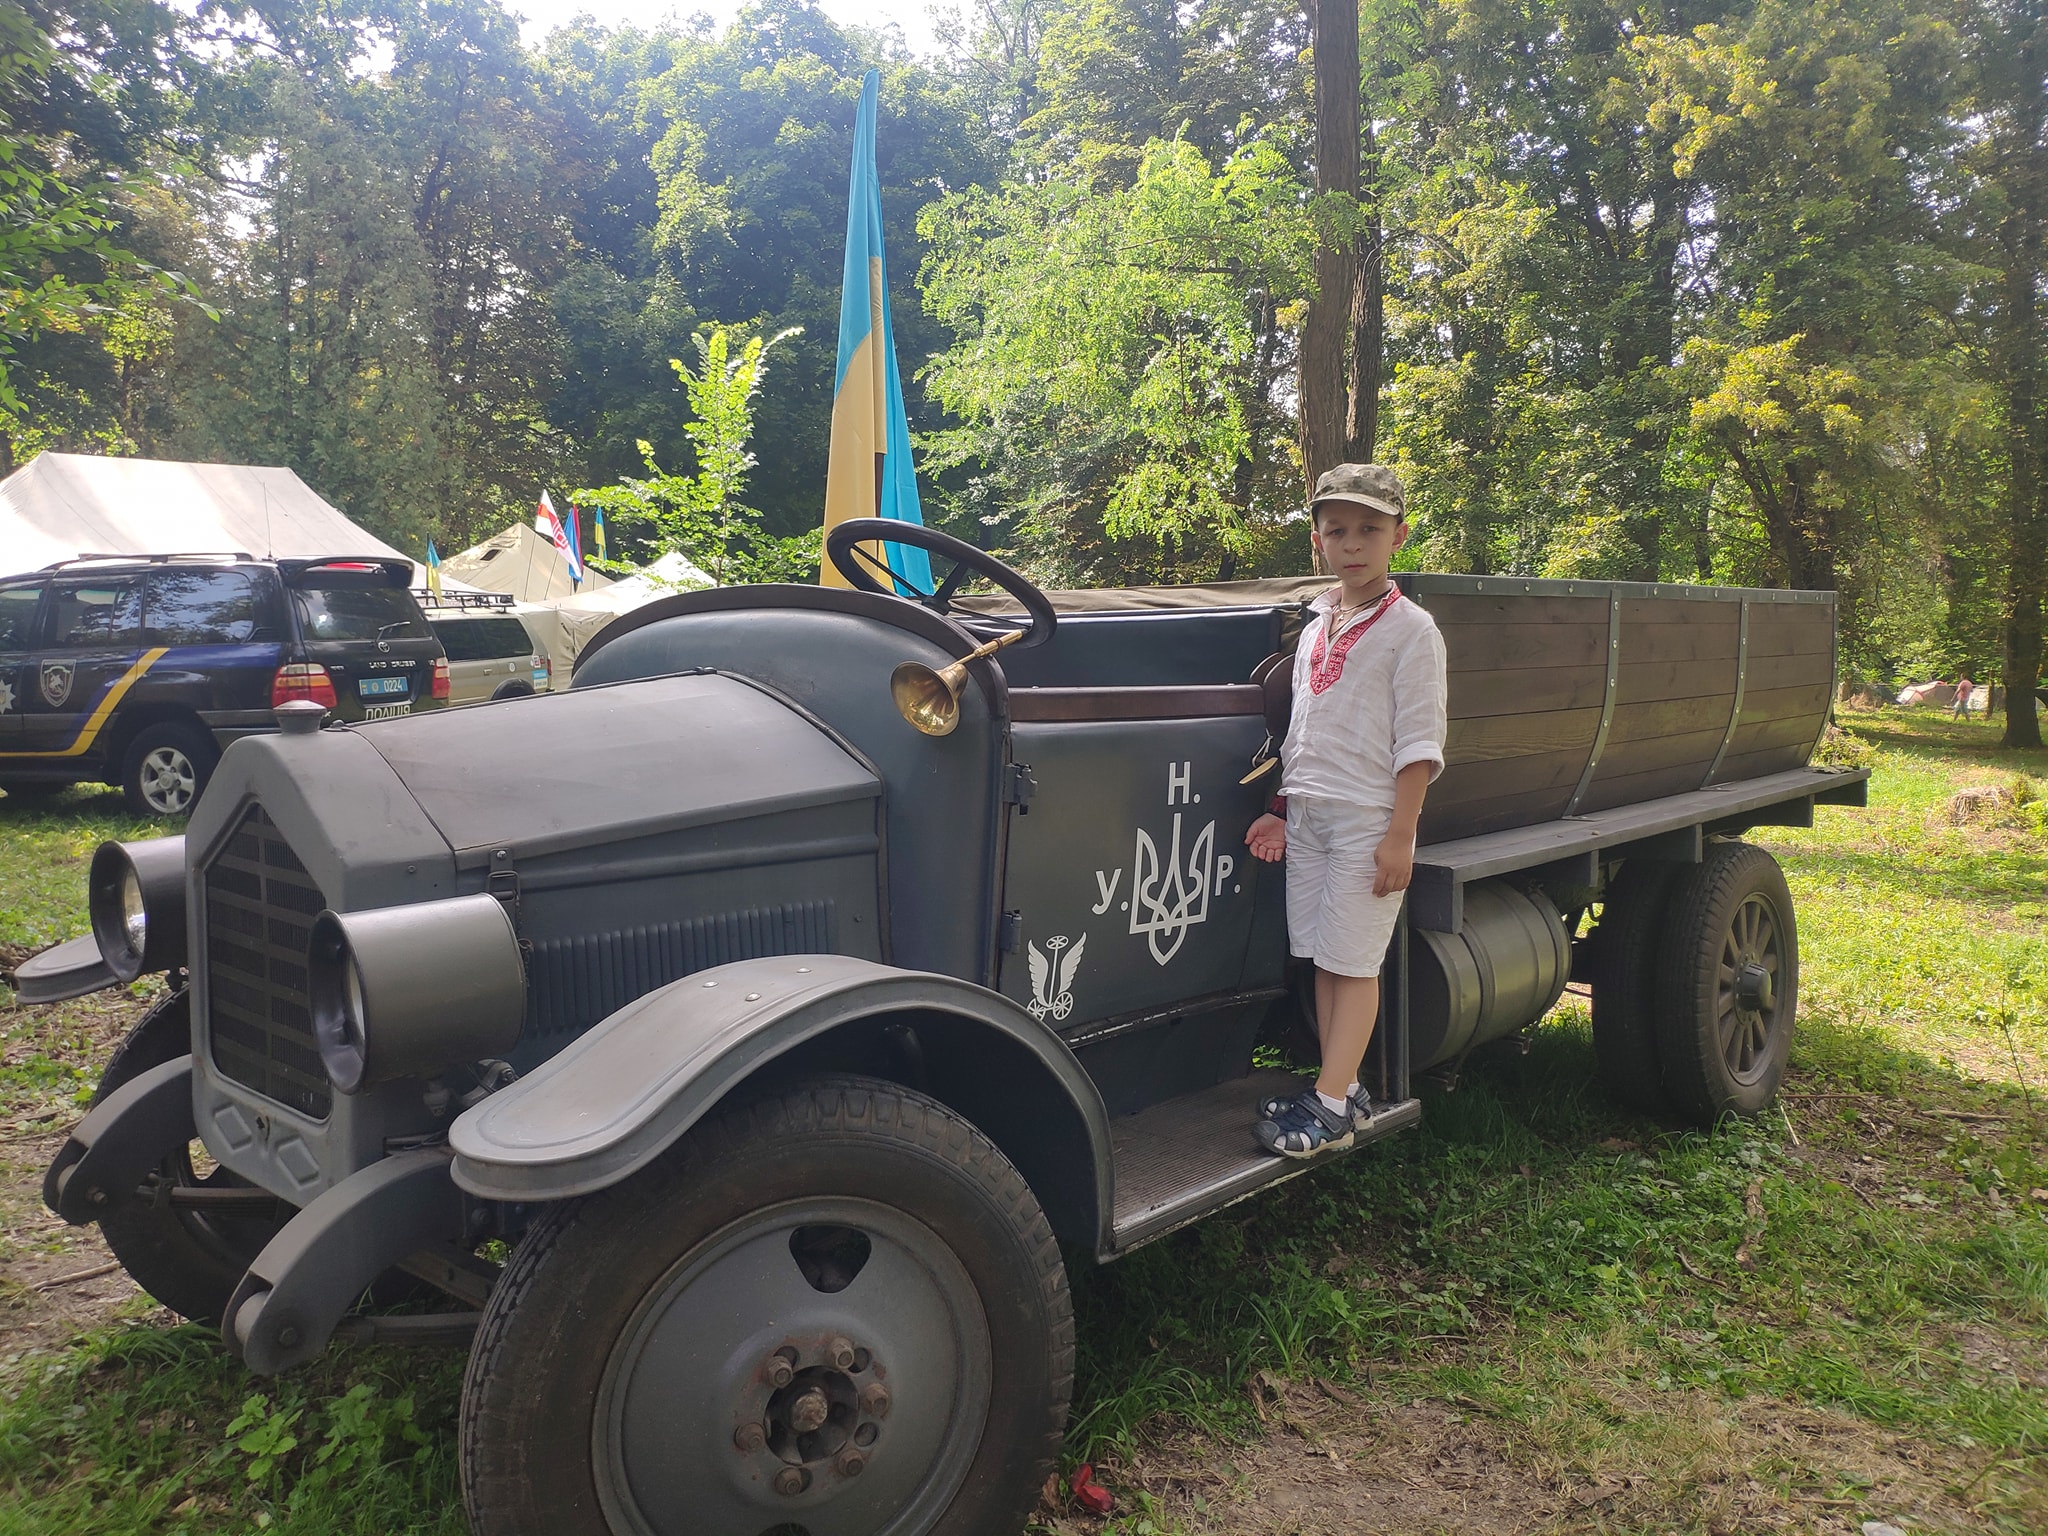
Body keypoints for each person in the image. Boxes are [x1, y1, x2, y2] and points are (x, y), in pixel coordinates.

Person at [1244, 464, 1447, 1158]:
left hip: (1368, 819)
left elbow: (1419, 742)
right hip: (1311, 816)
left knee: (1355, 963)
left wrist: (1401, 834)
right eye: (1337, 531)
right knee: (1325, 959)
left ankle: (1329, 1108)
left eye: (1369, 529)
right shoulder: (1312, 627)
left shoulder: (1412, 631)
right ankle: (1341, 1086)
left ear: (1399, 536)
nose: (1352, 544)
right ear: (1317, 541)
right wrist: (1281, 808)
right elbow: (1303, 730)